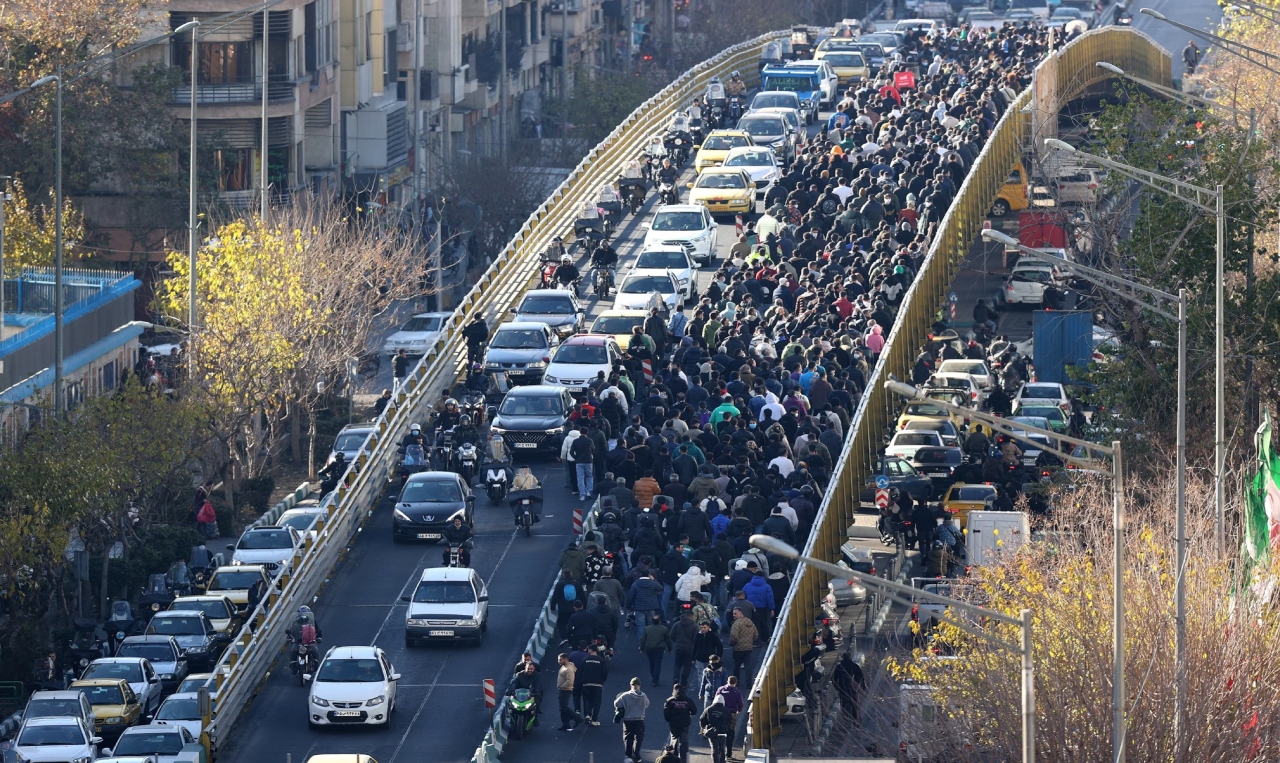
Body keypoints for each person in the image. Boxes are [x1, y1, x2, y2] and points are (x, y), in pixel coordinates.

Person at [614, 678, 650, 763]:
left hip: (628, 720)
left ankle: (628, 754)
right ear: (639, 686)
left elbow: (616, 704)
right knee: (638, 738)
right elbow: (647, 704)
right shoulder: (643, 696)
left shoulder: (625, 695)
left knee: (628, 737)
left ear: (631, 685)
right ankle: (636, 755)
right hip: (639, 720)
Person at [663, 683, 697, 763]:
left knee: (674, 741)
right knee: (684, 743)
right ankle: (684, 760)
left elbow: (666, 713)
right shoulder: (688, 700)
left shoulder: (670, 701)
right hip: (685, 724)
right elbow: (694, 710)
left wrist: (670, 720)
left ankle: (674, 759)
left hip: (674, 725)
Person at [714, 676, 745, 759]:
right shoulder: (737, 692)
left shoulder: (721, 689)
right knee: (730, 733)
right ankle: (729, 753)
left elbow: (716, 700)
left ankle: (720, 751)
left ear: (727, 681)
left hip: (720, 713)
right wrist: (738, 711)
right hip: (731, 714)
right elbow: (741, 705)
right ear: (736, 682)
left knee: (720, 732)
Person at [641, 612, 673, 686]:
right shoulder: (664, 629)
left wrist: (642, 648)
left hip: (649, 648)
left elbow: (643, 639)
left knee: (651, 663)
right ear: (660, 621)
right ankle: (655, 679)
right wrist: (670, 648)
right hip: (659, 648)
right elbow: (668, 639)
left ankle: (653, 675)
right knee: (657, 663)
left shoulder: (647, 629)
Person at [580, 643, 608, 724]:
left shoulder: (585, 660)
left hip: (586, 683)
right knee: (597, 701)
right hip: (597, 684)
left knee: (588, 700)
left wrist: (584, 680)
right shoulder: (601, 661)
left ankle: (588, 714)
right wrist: (601, 681)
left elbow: (580, 671)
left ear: (590, 650)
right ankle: (594, 719)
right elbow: (605, 673)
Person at [700, 694, 733, 763]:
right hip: (722, 732)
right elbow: (730, 720)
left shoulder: (709, 709)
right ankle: (722, 761)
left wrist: (703, 727)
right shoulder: (726, 711)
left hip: (712, 732)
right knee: (722, 748)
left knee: (714, 749)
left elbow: (702, 719)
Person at [728, 608, 757, 682]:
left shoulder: (736, 624)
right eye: (733, 613)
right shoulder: (750, 622)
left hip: (738, 648)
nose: (733, 615)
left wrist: (731, 643)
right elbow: (756, 635)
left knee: (736, 666)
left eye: (735, 613)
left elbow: (734, 637)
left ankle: (736, 682)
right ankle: (749, 683)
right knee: (748, 666)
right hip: (748, 647)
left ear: (741, 614)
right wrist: (750, 642)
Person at [557, 652, 585, 730]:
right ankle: (565, 724)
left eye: (560, 660)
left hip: (565, 690)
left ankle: (577, 718)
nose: (558, 661)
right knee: (562, 708)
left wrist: (562, 687)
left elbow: (570, 681)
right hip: (562, 689)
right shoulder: (564, 666)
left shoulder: (569, 669)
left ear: (565, 659)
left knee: (564, 707)